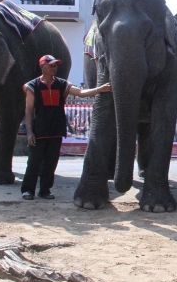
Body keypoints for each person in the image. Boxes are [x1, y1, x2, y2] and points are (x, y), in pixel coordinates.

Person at [22, 55, 111, 200]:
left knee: (51, 162)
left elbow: (81, 93)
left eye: (55, 65)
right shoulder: (32, 86)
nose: (54, 68)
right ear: (42, 66)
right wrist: (30, 132)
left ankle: (45, 190)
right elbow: (29, 109)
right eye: (51, 65)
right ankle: (27, 190)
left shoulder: (62, 84)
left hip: (56, 130)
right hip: (39, 130)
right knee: (33, 162)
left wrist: (100, 89)